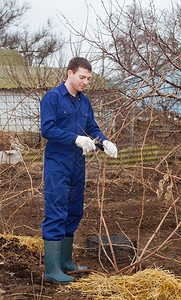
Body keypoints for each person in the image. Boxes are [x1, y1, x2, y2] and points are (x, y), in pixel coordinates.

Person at [40, 57, 118, 283]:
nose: (85, 82)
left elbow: (92, 127)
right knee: (56, 211)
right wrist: (75, 139)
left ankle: (65, 261)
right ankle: (52, 270)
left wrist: (104, 142)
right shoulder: (52, 98)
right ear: (69, 74)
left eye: (88, 79)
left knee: (74, 211)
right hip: (58, 164)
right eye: (82, 77)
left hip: (77, 165)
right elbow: (47, 129)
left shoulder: (84, 102)